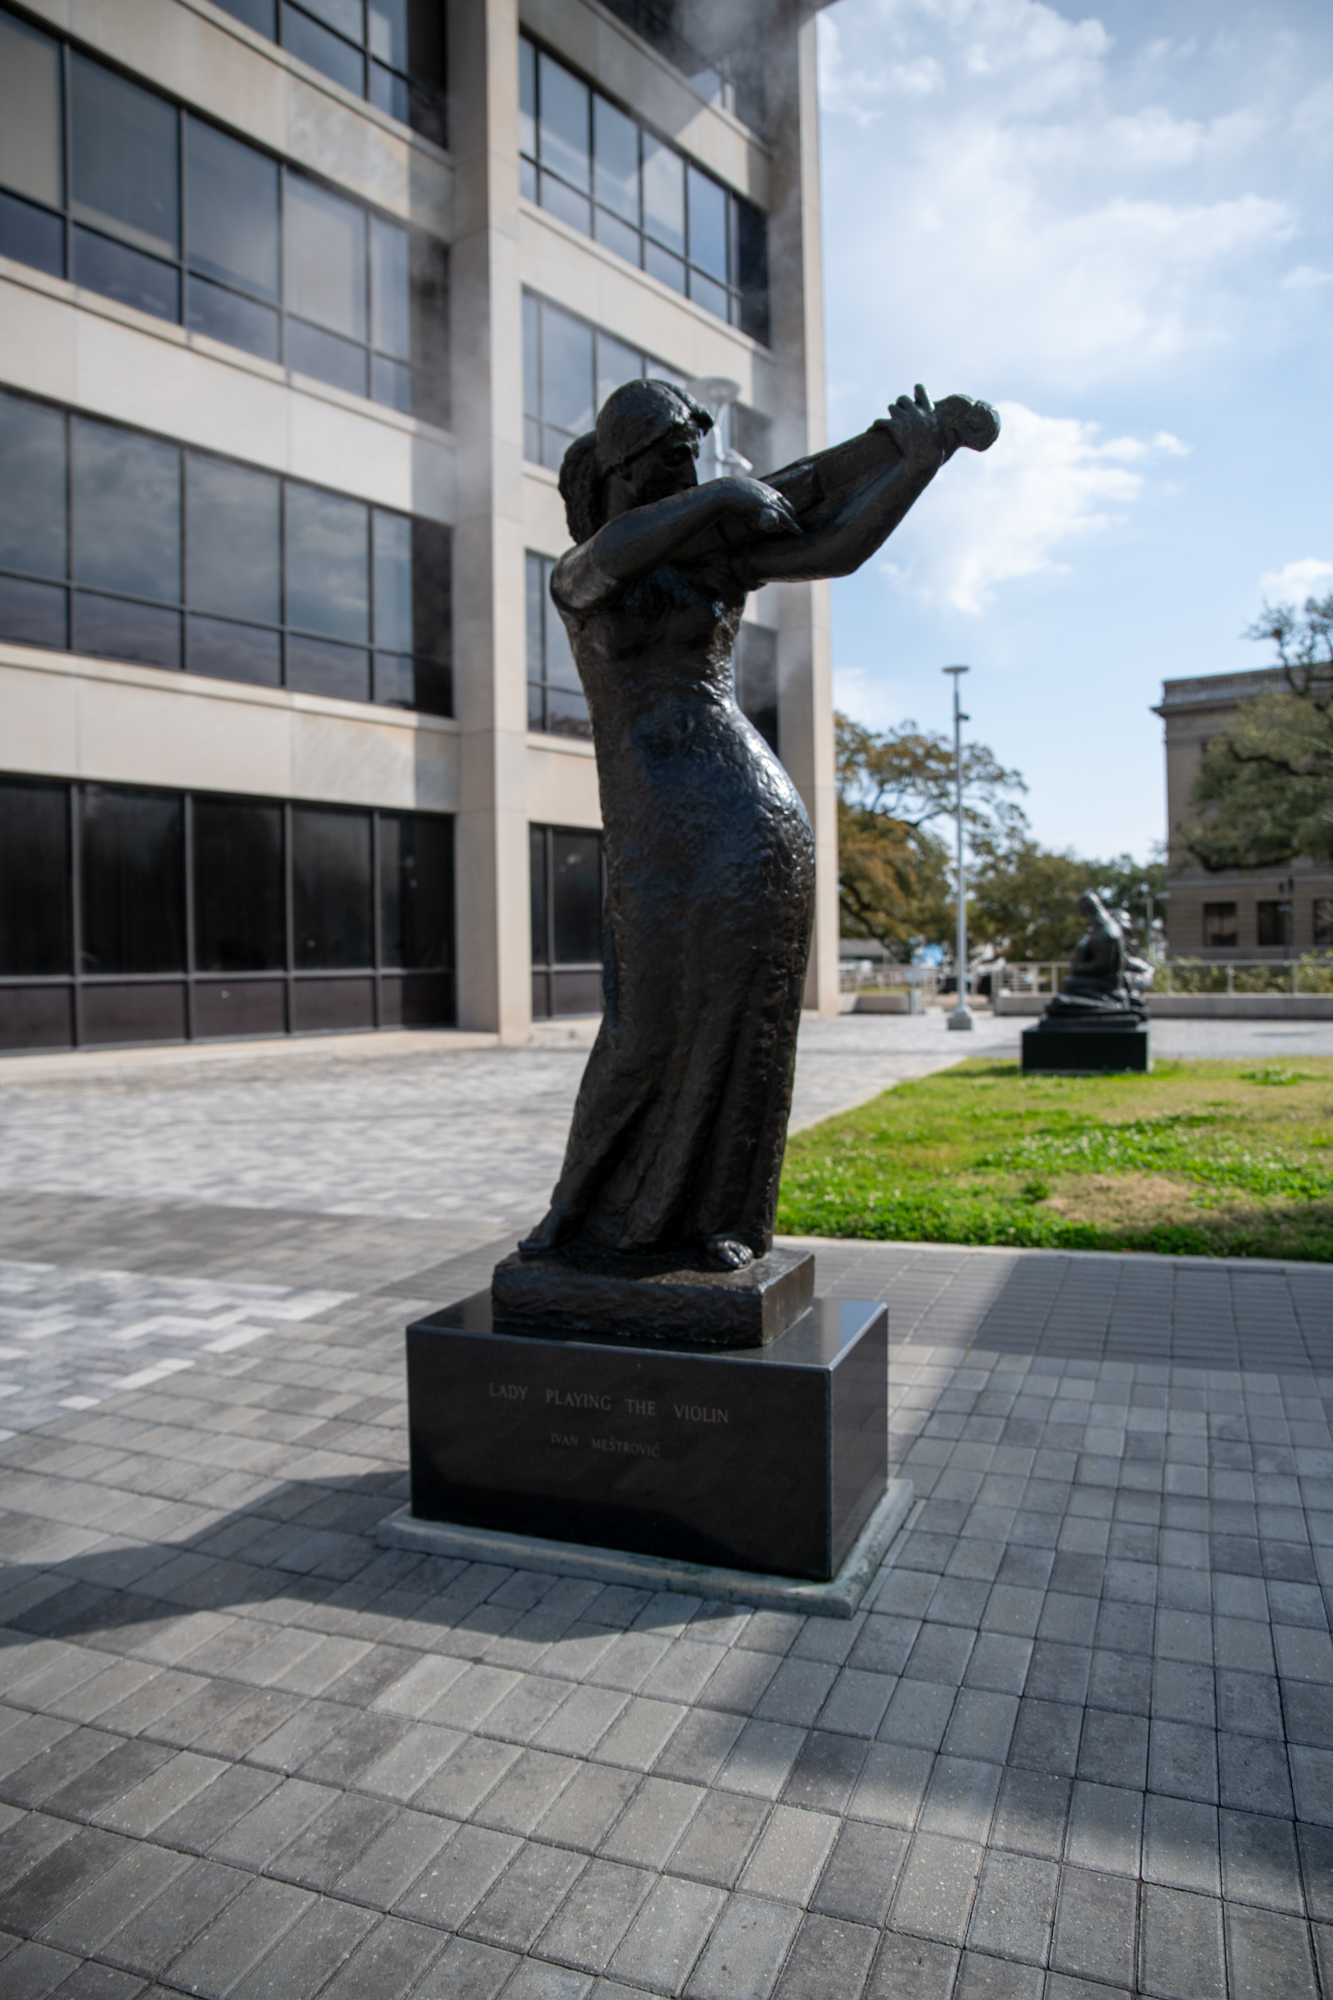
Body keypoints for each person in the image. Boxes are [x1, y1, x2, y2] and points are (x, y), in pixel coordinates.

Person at [519, 378, 973, 1272]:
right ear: (623, 466)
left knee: (745, 1020)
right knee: (641, 1026)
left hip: (747, 807)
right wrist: (726, 492)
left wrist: (918, 463)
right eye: (674, 457)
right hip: (656, 813)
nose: (690, 470)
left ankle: (723, 1215)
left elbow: (831, 542)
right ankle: (577, 1213)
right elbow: (612, 555)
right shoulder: (584, 572)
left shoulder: (714, 560)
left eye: (697, 457)